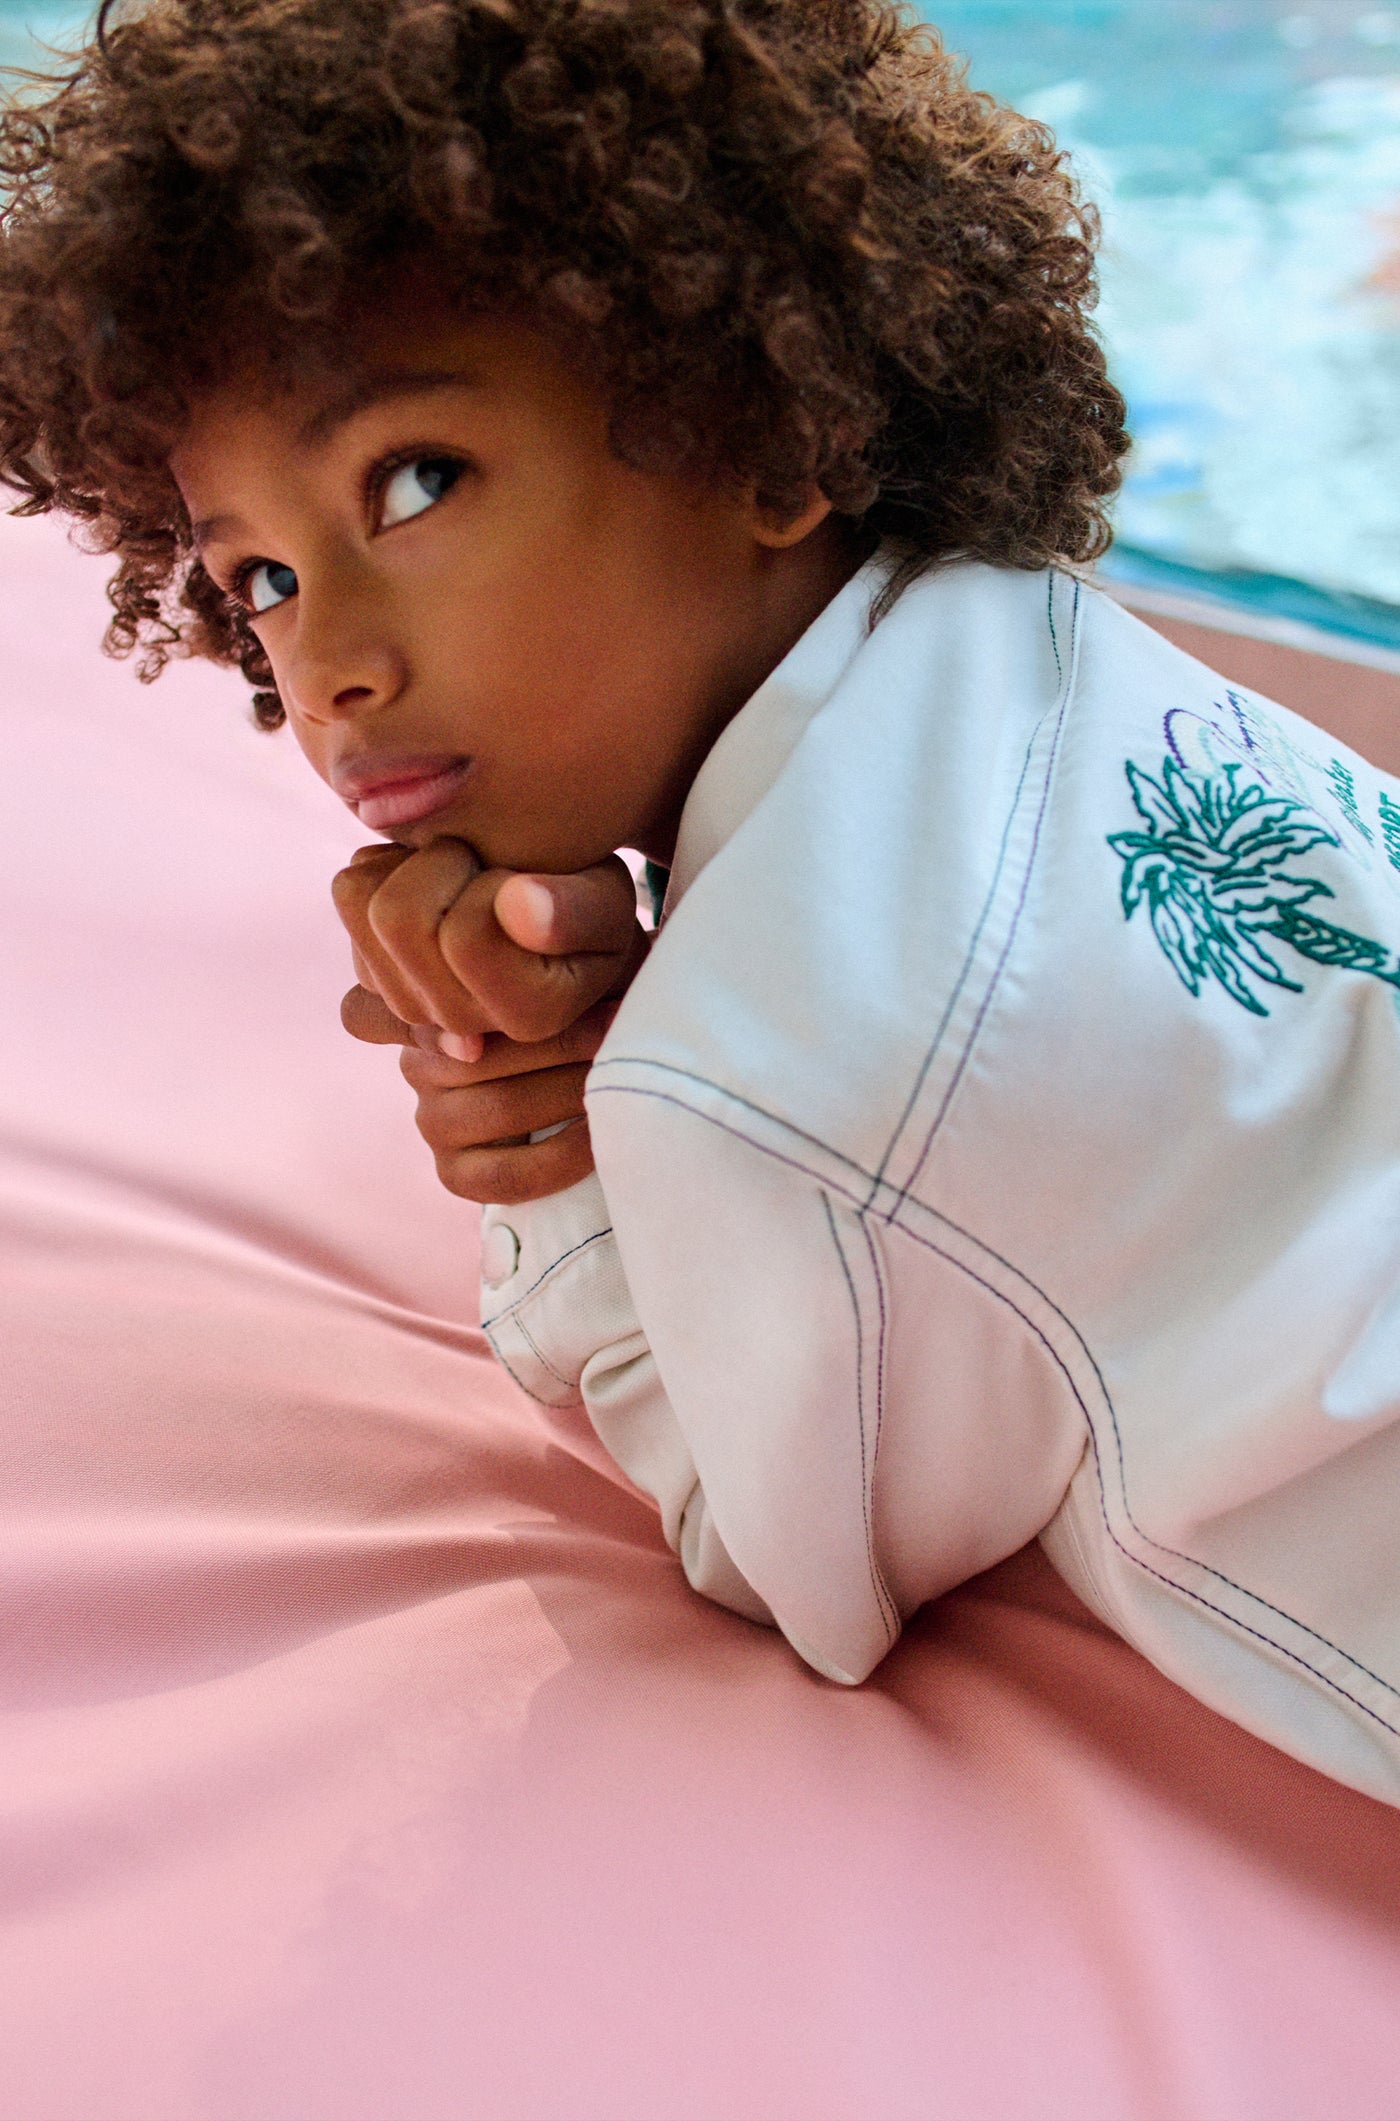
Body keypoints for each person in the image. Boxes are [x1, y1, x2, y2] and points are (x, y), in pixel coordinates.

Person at [4, 0, 1400, 1807]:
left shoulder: (771, 1078)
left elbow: (783, 1556)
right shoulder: (1037, 637)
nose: (328, 659)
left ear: (769, 436)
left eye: (415, 483)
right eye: (258, 576)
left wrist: (565, 1154)